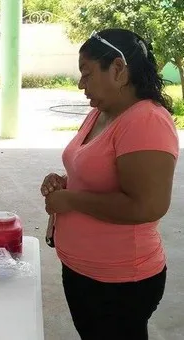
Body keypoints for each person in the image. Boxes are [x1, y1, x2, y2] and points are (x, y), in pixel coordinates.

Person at [41, 28, 178, 340]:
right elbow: (92, 171)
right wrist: (64, 182)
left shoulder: (146, 121)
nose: (80, 84)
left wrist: (71, 201)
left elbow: (148, 205)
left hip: (119, 282)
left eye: (86, 74)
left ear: (117, 69)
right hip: (82, 271)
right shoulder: (101, 112)